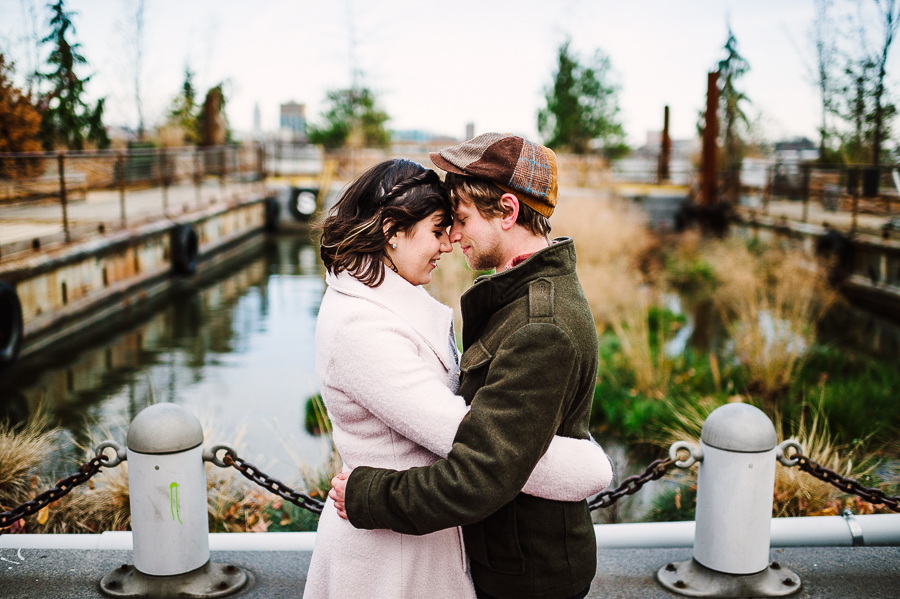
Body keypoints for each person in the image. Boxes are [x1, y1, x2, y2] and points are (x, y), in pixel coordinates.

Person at [304, 158, 612, 599]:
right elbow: (469, 438)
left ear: (508, 212)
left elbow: (484, 454)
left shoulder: (532, 315)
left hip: (431, 539)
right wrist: (583, 465)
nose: (449, 240)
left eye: (457, 221)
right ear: (391, 231)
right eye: (438, 227)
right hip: (392, 560)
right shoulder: (362, 326)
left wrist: (371, 494)